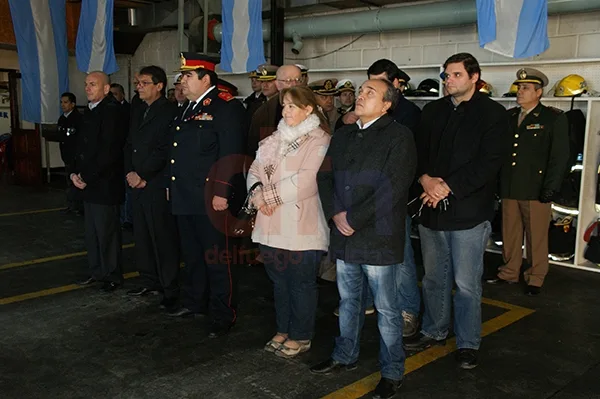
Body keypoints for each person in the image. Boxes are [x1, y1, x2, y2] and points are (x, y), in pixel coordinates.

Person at [312, 78, 417, 399]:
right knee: (349, 302)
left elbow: (393, 187)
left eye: (370, 93)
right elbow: (324, 176)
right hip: (345, 236)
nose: (360, 96)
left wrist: (352, 219)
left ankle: (392, 370)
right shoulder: (344, 134)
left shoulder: (399, 136)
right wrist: (335, 214)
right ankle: (345, 355)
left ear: (387, 104)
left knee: (386, 309)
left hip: (377, 237)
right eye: (360, 91)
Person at [404, 53, 509, 370]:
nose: (448, 80)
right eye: (446, 75)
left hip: (467, 212)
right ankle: (433, 331)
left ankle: (467, 342)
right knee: (434, 278)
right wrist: (424, 179)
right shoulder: (433, 111)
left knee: (466, 284)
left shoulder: (493, 114)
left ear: (474, 77)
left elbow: (488, 163)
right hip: (431, 211)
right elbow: (417, 152)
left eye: (455, 75)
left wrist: (445, 187)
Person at [247, 86, 331, 358]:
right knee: (279, 283)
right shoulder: (274, 138)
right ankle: (284, 328)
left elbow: (305, 181)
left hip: (301, 224)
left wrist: (267, 198)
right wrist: (257, 196)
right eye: (284, 106)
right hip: (270, 223)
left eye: (292, 106)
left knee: (301, 283)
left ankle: (301, 334)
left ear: (308, 109)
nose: (286, 111)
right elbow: (254, 169)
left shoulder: (319, 139)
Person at [167, 53, 246, 339]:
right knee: (192, 255)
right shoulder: (187, 108)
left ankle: (223, 313)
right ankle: (194, 302)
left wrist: (223, 192)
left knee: (217, 260)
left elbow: (230, 154)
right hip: (186, 196)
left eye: (187, 76)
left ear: (205, 79)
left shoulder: (225, 108)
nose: (182, 81)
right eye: (182, 76)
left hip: (213, 200)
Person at [487, 68, 569, 296]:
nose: (519, 92)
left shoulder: (552, 118)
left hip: (536, 189)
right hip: (510, 186)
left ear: (539, 92)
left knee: (536, 236)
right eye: (519, 87)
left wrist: (550, 188)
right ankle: (509, 272)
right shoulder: (510, 116)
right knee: (510, 233)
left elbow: (559, 157)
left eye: (525, 88)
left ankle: (535, 276)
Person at [123, 65, 180, 311]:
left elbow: (165, 149)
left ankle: (170, 288)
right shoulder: (138, 110)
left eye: (144, 83)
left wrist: (143, 174)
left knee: (162, 238)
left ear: (159, 85)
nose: (139, 87)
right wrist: (130, 172)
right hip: (136, 182)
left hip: (155, 183)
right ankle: (149, 279)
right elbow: (128, 144)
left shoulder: (169, 111)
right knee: (142, 235)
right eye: (137, 83)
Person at [72, 71, 127, 292]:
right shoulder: (90, 111)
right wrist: (75, 173)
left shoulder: (112, 112)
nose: (87, 88)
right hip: (87, 182)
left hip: (104, 182)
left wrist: (87, 176)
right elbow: (81, 146)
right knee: (92, 232)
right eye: (86, 84)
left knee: (107, 233)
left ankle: (112, 274)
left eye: (93, 84)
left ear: (106, 89)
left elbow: (109, 151)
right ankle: (96, 271)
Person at [247, 65, 304, 156]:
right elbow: (254, 146)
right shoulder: (263, 112)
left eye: (297, 80)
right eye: (288, 81)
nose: (294, 85)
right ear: (278, 84)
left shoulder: (313, 106)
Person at [111, 82, 134, 230]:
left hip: (127, 154)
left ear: (122, 95)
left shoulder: (128, 110)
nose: (112, 97)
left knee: (127, 190)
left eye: (115, 94)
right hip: (115, 155)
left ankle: (127, 218)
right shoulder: (110, 110)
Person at [57, 92, 83, 215]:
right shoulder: (62, 119)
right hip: (66, 155)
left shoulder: (78, 119)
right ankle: (71, 205)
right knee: (69, 181)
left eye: (66, 102)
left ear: (73, 104)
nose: (63, 105)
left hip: (76, 155)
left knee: (77, 180)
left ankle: (79, 206)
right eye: (61, 102)